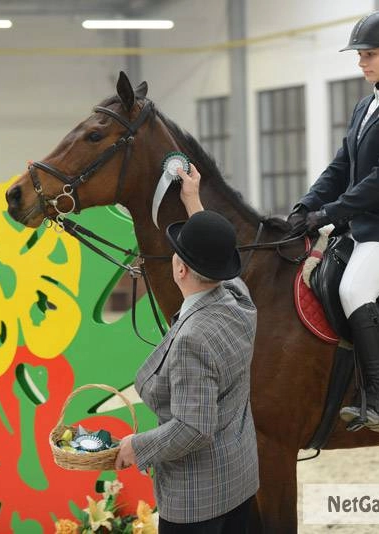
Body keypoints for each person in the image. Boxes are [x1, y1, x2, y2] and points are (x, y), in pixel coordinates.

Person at [287, 10, 379, 433]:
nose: (362, 62)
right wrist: (306, 206)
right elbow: (340, 167)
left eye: (370, 55)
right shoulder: (365, 105)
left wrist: (329, 213)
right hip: (359, 226)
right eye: (360, 55)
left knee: (354, 289)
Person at [115, 164, 259, 534]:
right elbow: (219, 260)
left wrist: (136, 447)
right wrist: (192, 199)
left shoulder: (193, 339)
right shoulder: (239, 300)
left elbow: (193, 428)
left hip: (197, 503)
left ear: (180, 270)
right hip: (239, 480)